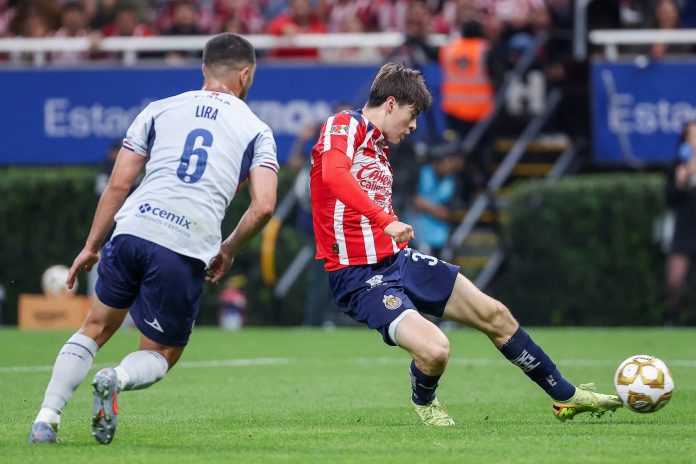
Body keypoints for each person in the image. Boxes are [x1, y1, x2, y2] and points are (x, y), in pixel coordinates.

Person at [309, 62, 622, 426]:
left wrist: (387, 224)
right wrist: (386, 220)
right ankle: (424, 400)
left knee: (495, 315)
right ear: (391, 104)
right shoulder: (344, 125)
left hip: (398, 261)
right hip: (359, 277)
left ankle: (566, 395)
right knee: (436, 350)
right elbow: (334, 175)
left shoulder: (379, 150)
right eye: (412, 115)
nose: (413, 126)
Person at [28, 32, 278, 444]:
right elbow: (264, 205)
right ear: (246, 74)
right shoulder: (257, 130)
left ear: (203, 69)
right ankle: (116, 378)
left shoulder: (159, 109)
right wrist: (229, 248)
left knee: (95, 327)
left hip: (132, 229)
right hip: (184, 246)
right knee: (162, 351)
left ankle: (46, 419)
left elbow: (118, 184)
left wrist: (90, 247)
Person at [665, 120, 696, 325]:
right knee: (675, 281)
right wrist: (681, 180)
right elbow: (670, 198)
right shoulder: (677, 166)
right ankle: (673, 317)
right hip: (684, 228)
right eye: (691, 136)